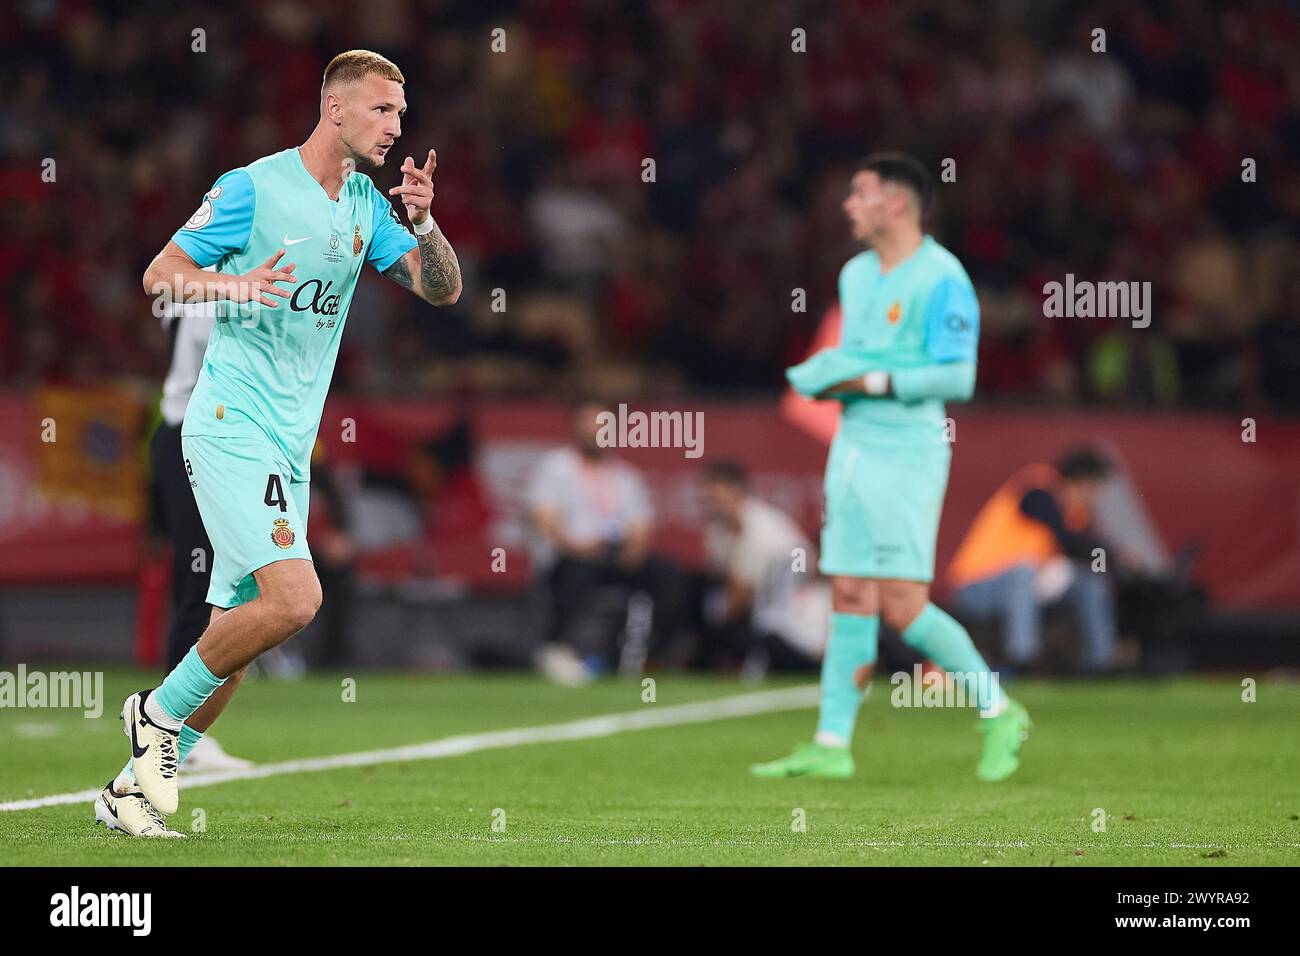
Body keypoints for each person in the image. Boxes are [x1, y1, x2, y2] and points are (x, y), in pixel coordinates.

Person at [94, 49, 462, 838]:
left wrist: (426, 224)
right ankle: (152, 716)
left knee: (238, 633)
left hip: (291, 443)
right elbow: (160, 275)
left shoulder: (364, 205)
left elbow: (443, 289)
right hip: (229, 425)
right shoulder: (251, 188)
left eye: (401, 114)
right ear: (335, 110)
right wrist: (231, 284)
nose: (397, 128)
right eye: (382, 111)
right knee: (298, 599)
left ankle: (130, 790)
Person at [751, 153, 1030, 783]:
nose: (848, 205)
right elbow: (856, 357)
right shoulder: (855, 275)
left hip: (908, 450)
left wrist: (864, 378)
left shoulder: (943, 278)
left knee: (903, 604)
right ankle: (830, 743)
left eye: (860, 194)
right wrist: (827, 376)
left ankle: (998, 710)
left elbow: (958, 376)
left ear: (896, 204)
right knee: (849, 593)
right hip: (852, 447)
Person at [147, 292, 253, 774]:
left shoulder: (197, 285)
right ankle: (172, 728)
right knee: (202, 582)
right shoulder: (217, 290)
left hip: (192, 436)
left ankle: (174, 726)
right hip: (194, 436)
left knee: (205, 582)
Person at [528, 399, 684, 683]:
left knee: (667, 572)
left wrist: (634, 549)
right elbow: (545, 520)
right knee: (576, 571)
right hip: (571, 554)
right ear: (576, 428)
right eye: (590, 423)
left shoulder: (626, 476)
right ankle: (557, 648)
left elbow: (640, 526)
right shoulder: (556, 467)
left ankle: (654, 651)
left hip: (613, 556)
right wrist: (577, 546)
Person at [946, 448, 1118, 672]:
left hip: (1029, 590)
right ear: (1079, 482)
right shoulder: (1038, 488)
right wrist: (1110, 552)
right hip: (975, 587)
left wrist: (1115, 559)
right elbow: (1066, 535)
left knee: (1091, 582)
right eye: (1094, 489)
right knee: (1024, 570)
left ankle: (1100, 664)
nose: (1095, 497)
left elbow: (1086, 550)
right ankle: (1022, 659)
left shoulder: (1078, 516)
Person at [695, 461, 827, 674]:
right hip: (762, 602)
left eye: (717, 498)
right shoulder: (717, 531)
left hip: (792, 604)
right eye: (708, 499)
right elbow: (725, 579)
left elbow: (743, 593)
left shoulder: (761, 528)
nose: (711, 505)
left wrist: (712, 621)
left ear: (736, 491)